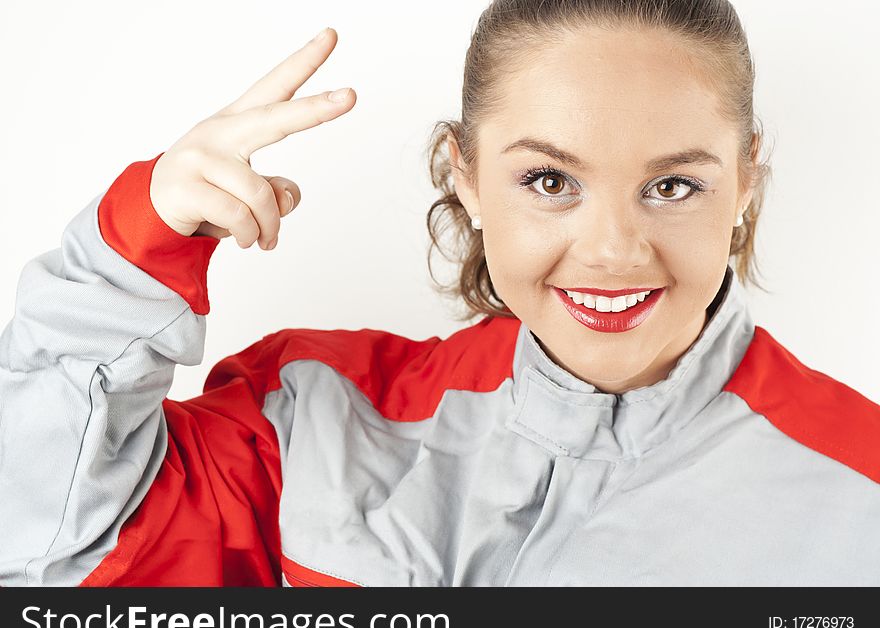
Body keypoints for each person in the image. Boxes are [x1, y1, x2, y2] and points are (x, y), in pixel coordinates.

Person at [1, 0, 878, 587]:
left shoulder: (860, 489)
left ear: (747, 178)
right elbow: (47, 560)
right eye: (548, 180)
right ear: (464, 175)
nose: (613, 251)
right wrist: (136, 248)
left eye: (673, 185)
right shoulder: (314, 419)